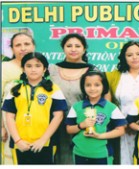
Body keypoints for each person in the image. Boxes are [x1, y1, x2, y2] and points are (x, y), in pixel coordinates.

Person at [2, 52, 68, 164]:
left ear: (44, 69)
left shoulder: (53, 89)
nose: (33, 69)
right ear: (23, 69)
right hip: (20, 144)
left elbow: (58, 116)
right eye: (29, 66)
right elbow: (9, 117)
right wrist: (18, 140)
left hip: (46, 143)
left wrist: (43, 140)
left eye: (38, 66)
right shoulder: (15, 90)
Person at [48, 33, 98, 164]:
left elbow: (101, 97)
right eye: (69, 46)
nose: (73, 49)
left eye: (77, 46)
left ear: (84, 48)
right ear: (63, 48)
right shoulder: (52, 69)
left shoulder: (92, 70)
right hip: (55, 122)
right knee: (58, 157)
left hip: (82, 122)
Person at [65, 71, 127, 164]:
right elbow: (69, 129)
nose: (92, 88)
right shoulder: (76, 107)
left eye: (97, 85)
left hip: (102, 154)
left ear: (104, 87)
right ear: (83, 87)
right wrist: (81, 125)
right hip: (80, 153)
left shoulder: (111, 107)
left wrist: (99, 136)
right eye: (88, 85)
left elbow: (120, 130)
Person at [105, 40, 139, 164]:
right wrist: (120, 122)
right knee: (122, 158)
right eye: (129, 55)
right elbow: (107, 103)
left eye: (138, 54)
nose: (134, 57)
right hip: (120, 126)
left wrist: (138, 123)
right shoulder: (114, 76)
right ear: (124, 58)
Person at [1, 32, 35, 165]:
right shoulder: (4, 68)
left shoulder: (42, 67)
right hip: (10, 123)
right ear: (12, 49)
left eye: (27, 44)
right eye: (18, 45)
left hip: (37, 125)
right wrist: (2, 126)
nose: (23, 48)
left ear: (33, 46)